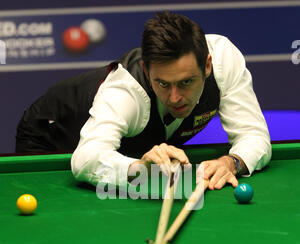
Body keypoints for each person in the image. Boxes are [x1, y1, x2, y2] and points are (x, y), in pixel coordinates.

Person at [16, 11, 271, 190]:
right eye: (163, 84)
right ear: (148, 72)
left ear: (206, 66)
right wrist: (140, 169)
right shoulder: (127, 91)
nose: (175, 97)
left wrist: (232, 162)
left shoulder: (224, 61)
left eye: (185, 82)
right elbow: (86, 159)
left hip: (121, 145)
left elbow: (253, 135)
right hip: (51, 133)